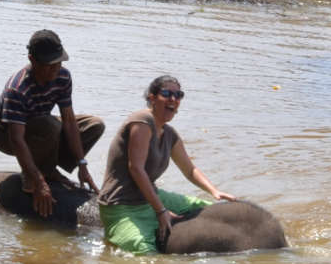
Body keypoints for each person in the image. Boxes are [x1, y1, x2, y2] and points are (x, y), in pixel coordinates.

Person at [97, 74, 235, 254]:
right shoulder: (142, 121)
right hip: (121, 205)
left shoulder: (170, 134)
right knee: (146, 252)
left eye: (178, 95)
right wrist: (161, 212)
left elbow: (189, 169)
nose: (173, 99)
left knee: (206, 208)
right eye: (166, 93)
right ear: (152, 98)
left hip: (150, 197)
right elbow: (136, 168)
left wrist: (214, 191)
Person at [0, 29, 103, 218]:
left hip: (44, 125)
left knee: (94, 124)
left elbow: (68, 120)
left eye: (58, 64)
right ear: (32, 60)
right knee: (50, 125)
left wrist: (82, 164)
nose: (54, 70)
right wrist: (38, 180)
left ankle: (50, 168)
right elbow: (16, 139)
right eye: (48, 66)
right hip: (8, 136)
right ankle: (39, 173)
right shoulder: (17, 89)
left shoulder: (63, 77)